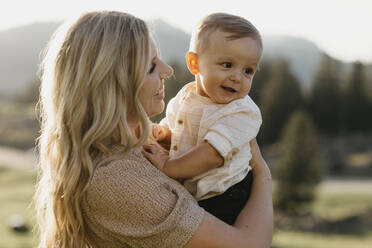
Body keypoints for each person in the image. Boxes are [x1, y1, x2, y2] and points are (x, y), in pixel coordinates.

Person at [34, 11, 273, 248]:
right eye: (151, 67)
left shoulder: (140, 140)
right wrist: (262, 172)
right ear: (111, 83)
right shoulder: (116, 180)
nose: (168, 70)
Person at [143, 13, 263, 224]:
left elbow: (211, 155)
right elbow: (184, 140)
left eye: (248, 71)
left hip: (227, 194)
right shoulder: (186, 97)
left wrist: (168, 166)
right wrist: (165, 136)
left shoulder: (242, 112)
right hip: (200, 194)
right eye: (227, 65)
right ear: (194, 63)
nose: (237, 77)